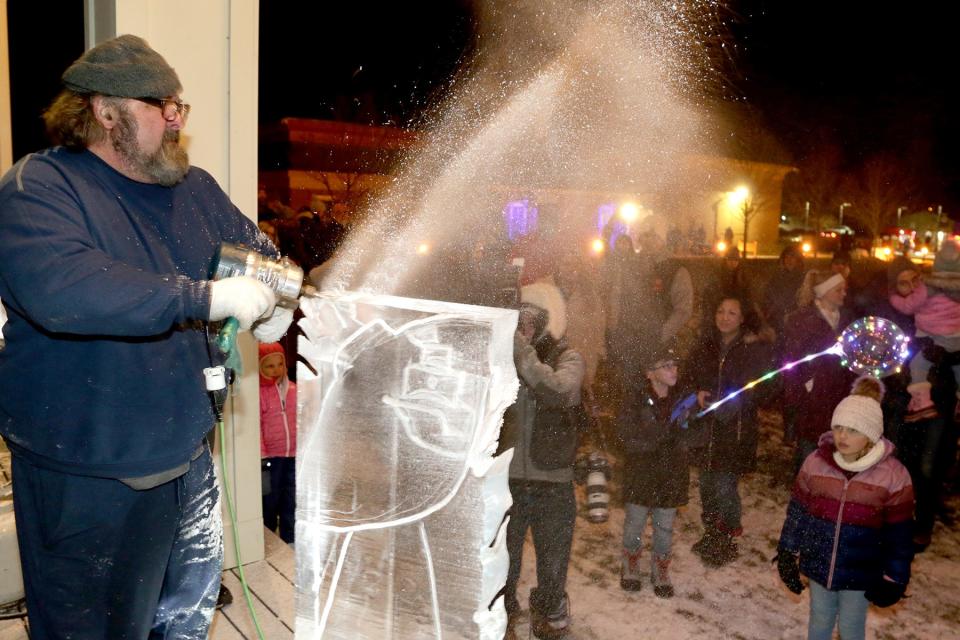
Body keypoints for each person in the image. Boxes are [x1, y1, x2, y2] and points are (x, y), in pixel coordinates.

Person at [0, 35, 294, 638]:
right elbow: (67, 290)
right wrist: (204, 297)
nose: (175, 119)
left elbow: (257, 255)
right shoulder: (41, 188)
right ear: (104, 112)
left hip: (186, 452)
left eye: (178, 106)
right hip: (89, 470)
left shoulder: (195, 189)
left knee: (185, 614)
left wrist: (278, 299)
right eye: (161, 105)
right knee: (95, 628)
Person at [776, 376, 915, 640]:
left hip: (862, 571)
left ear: (872, 434)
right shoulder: (816, 464)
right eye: (839, 427)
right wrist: (786, 551)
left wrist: (895, 577)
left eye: (853, 430)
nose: (842, 436)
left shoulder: (893, 476)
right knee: (819, 618)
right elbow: (798, 513)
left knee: (851, 626)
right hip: (820, 562)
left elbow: (900, 534)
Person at [501, 282, 585, 640]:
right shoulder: (502, 356)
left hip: (552, 478)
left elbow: (559, 391)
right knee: (502, 561)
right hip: (505, 480)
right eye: (519, 319)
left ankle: (549, 608)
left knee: (553, 560)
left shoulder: (569, 357)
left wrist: (524, 358)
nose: (525, 327)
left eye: (533, 319)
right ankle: (500, 612)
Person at [687, 294, 773, 567]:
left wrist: (738, 400)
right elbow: (690, 375)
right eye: (721, 311)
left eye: (732, 313)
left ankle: (726, 536)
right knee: (706, 485)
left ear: (742, 318)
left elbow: (765, 387)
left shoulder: (751, 350)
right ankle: (711, 531)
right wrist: (697, 392)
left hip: (734, 429)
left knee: (725, 485)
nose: (725, 317)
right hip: (706, 428)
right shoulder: (705, 346)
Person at [617, 344, 689, 597]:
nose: (673, 370)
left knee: (665, 526)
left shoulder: (683, 399)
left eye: (674, 365)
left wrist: (685, 432)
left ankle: (661, 569)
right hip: (641, 473)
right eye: (665, 366)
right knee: (635, 523)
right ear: (650, 373)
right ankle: (631, 563)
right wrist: (656, 437)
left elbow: (695, 435)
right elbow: (626, 436)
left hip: (671, 475)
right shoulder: (635, 399)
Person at [783, 270, 856, 473]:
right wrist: (807, 383)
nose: (844, 294)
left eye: (845, 289)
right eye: (838, 290)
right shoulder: (803, 320)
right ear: (823, 292)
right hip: (813, 396)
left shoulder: (847, 320)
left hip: (840, 394)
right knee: (809, 449)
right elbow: (793, 359)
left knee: (834, 452)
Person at [889, 235, 960, 422]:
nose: (912, 287)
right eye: (904, 283)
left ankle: (927, 402)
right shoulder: (891, 318)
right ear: (893, 287)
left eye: (915, 279)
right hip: (908, 403)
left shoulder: (928, 292)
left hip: (941, 395)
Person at [259, 342, 297, 544]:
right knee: (270, 499)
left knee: (291, 497)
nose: (276, 370)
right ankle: (268, 537)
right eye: (269, 366)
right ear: (259, 368)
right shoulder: (259, 394)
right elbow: (255, 426)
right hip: (271, 457)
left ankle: (289, 538)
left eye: (279, 364)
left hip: (293, 454)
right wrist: (262, 454)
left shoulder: (293, 390)